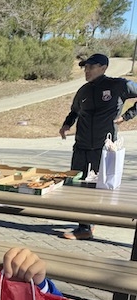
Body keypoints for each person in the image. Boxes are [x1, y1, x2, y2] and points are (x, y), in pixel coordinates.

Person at [59, 53, 137, 240]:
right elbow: (74, 112)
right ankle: (86, 224)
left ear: (103, 68)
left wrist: (126, 116)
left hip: (103, 148)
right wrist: (66, 125)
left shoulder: (119, 85)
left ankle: (85, 228)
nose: (87, 71)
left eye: (91, 67)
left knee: (95, 187)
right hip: (81, 146)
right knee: (76, 184)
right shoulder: (83, 91)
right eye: (85, 67)